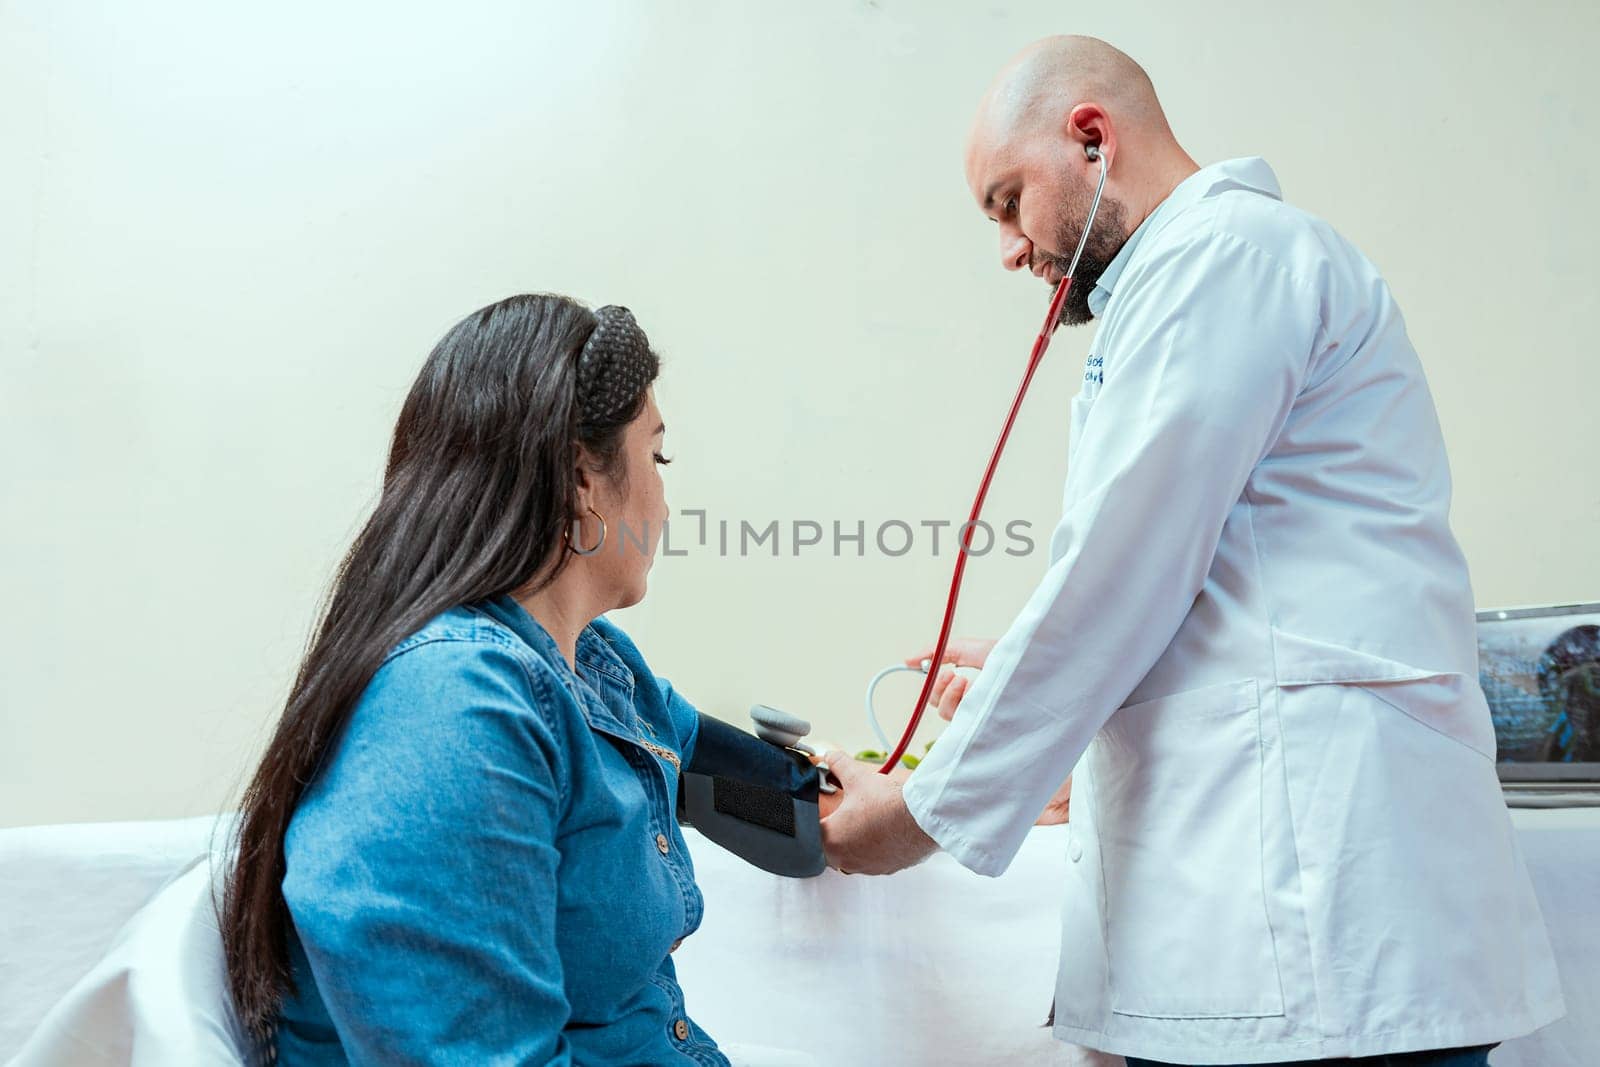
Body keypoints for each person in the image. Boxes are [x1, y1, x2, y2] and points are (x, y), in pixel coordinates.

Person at [818, 36, 1564, 1066]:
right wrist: (1055, 678)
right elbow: (1217, 586)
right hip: (1296, 927)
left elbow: (1120, 574)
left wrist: (916, 813)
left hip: (1313, 933)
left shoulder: (1224, 257)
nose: (1008, 249)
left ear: (1090, 138)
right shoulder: (1203, 277)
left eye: (1005, 201)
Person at [221, 295, 817, 1065]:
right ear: (582, 479)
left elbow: (763, 797)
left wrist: (960, 791)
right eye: (657, 457)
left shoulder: (594, 670)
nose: (666, 500)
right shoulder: (454, 710)